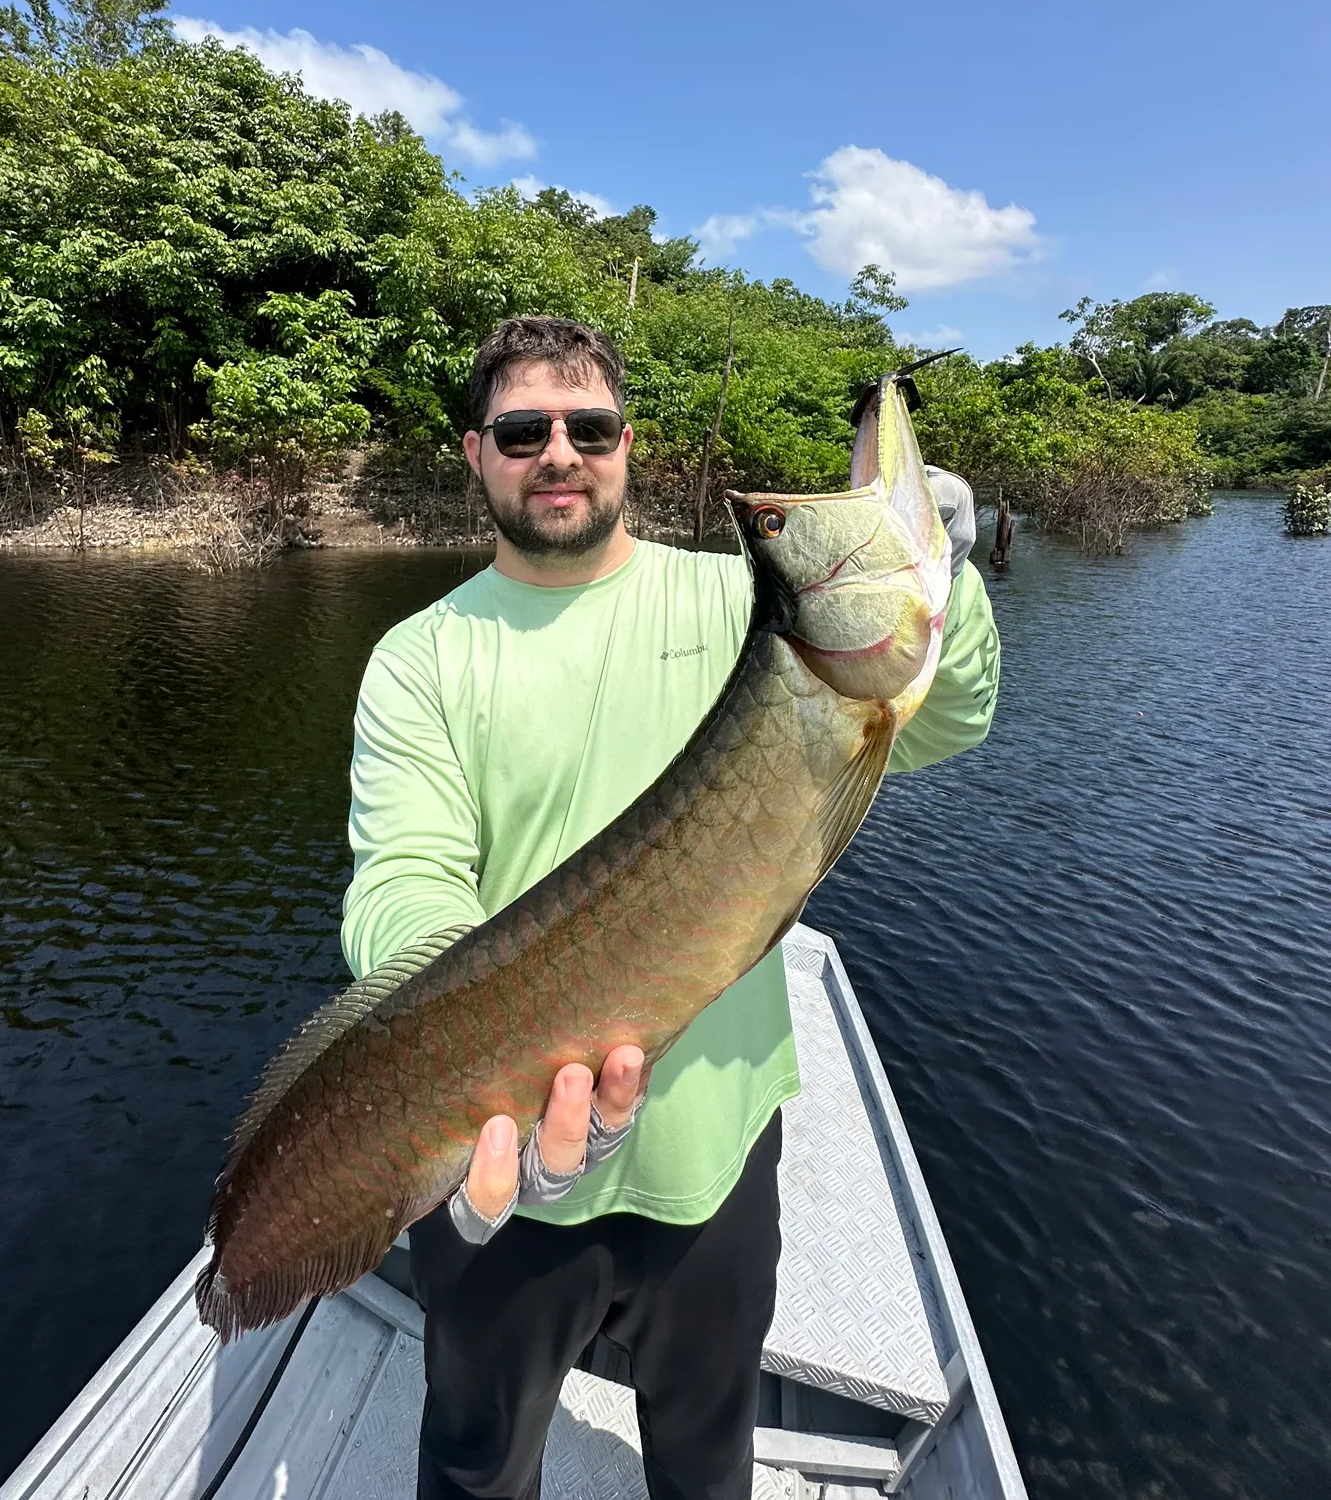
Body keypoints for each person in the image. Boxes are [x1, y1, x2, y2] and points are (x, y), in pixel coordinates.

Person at [342, 317, 1001, 1500]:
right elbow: (405, 877)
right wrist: (487, 1066)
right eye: (522, 430)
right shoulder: (419, 658)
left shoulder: (740, 605)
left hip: (716, 1152)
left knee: (707, 1461)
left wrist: (945, 574)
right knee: (477, 1463)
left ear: (626, 447)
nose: (559, 451)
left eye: (587, 427)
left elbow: (943, 719)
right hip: (504, 1160)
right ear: (474, 453)